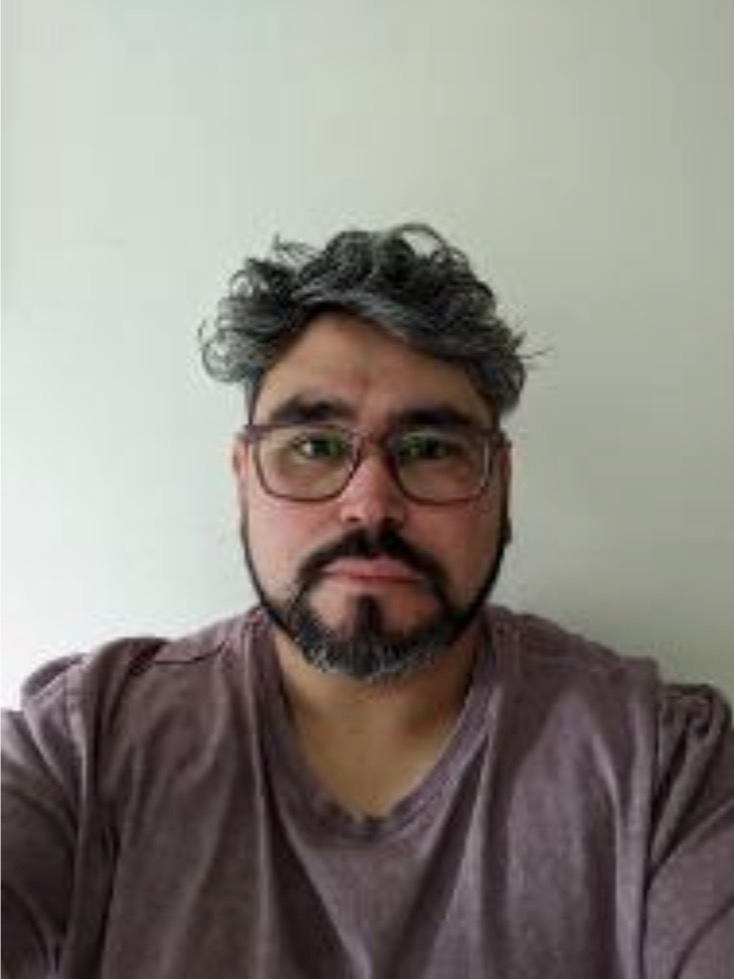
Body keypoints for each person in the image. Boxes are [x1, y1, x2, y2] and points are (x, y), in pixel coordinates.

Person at [2, 224, 732, 979]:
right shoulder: (84, 746)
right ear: (244, 479)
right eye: (315, 446)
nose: (372, 505)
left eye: (431, 448)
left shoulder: (664, 766)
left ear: (502, 486)